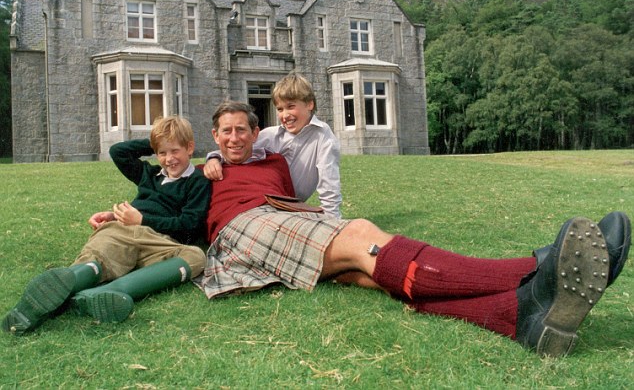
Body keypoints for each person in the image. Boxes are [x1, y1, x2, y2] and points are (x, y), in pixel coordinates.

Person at [194, 101, 631, 357]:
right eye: (225, 132)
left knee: (369, 271)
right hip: (243, 228)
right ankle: (532, 270)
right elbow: (149, 171)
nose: (234, 138)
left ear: (257, 132)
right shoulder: (200, 172)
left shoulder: (274, 162)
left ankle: (520, 317)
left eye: (242, 130)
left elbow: (294, 196)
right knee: (362, 236)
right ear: (213, 135)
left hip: (288, 217)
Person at [2, 116, 210, 335]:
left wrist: (142, 220)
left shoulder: (198, 180)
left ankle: (104, 293)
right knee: (99, 257)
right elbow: (118, 151)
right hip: (122, 229)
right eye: (162, 153)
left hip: (158, 242)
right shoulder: (149, 175)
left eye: (175, 151)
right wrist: (157, 141)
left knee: (196, 257)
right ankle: (63, 287)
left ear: (190, 147)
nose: (169, 159)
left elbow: (189, 224)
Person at [204, 72, 342, 218]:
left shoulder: (324, 138)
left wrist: (332, 223)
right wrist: (213, 158)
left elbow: (329, 188)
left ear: (309, 104)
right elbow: (236, 148)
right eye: (280, 109)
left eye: (291, 106)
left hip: (290, 206)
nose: (285, 115)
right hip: (260, 200)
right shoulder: (270, 135)